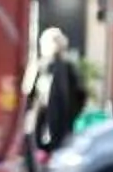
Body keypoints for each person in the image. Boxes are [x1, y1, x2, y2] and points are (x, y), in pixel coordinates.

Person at [24, 26, 86, 160]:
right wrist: (72, 115)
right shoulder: (69, 67)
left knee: (40, 158)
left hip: (41, 124)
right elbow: (81, 95)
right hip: (62, 125)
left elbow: (28, 95)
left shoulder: (40, 66)